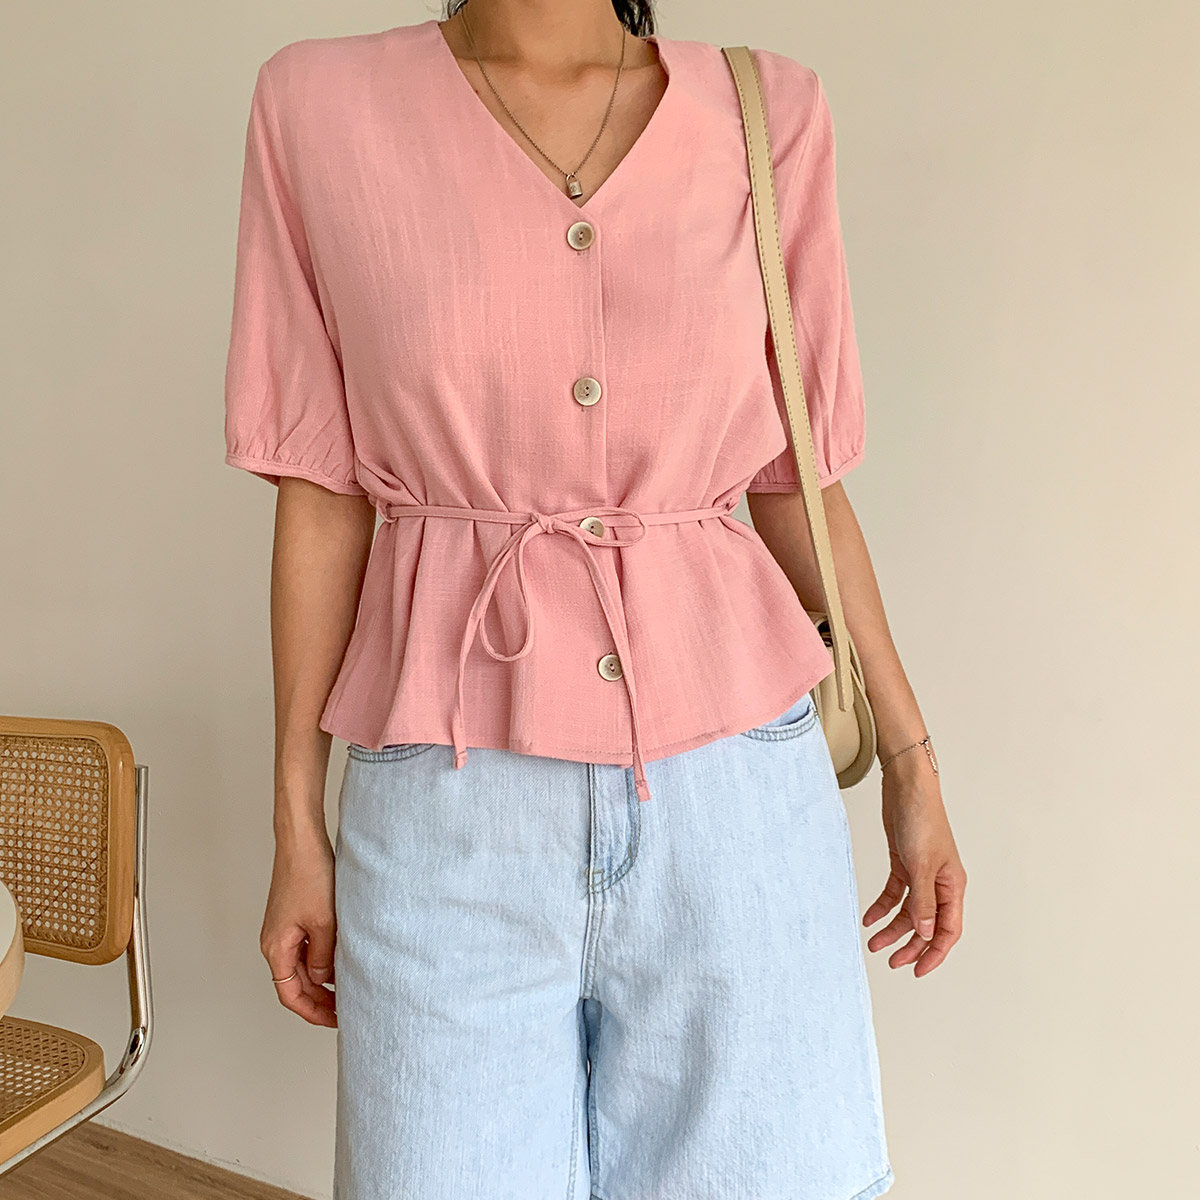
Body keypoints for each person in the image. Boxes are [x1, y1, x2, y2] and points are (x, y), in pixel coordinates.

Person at [223, 1, 966, 1197]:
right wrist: (295, 824)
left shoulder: (768, 110)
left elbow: (798, 485)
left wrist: (914, 767)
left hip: (738, 799)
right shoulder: (316, 106)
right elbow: (322, 492)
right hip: (446, 803)